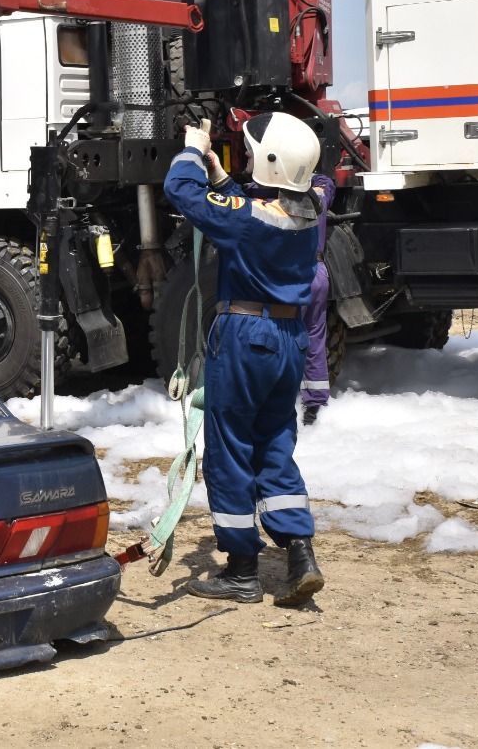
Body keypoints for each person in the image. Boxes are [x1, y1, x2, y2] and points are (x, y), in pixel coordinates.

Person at [163, 112, 325, 608]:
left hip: (245, 338)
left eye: (256, 153)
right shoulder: (311, 209)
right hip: (289, 339)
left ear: (272, 163)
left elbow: (180, 191)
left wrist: (193, 150)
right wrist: (225, 180)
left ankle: (241, 571)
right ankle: (300, 552)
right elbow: (259, 207)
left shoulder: (246, 220)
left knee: (229, 451)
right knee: (275, 443)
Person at [300, 173, 336, 426]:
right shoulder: (321, 188)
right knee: (315, 335)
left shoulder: (275, 191)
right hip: (318, 270)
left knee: (283, 335)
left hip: (292, 274)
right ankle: (314, 403)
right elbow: (326, 180)